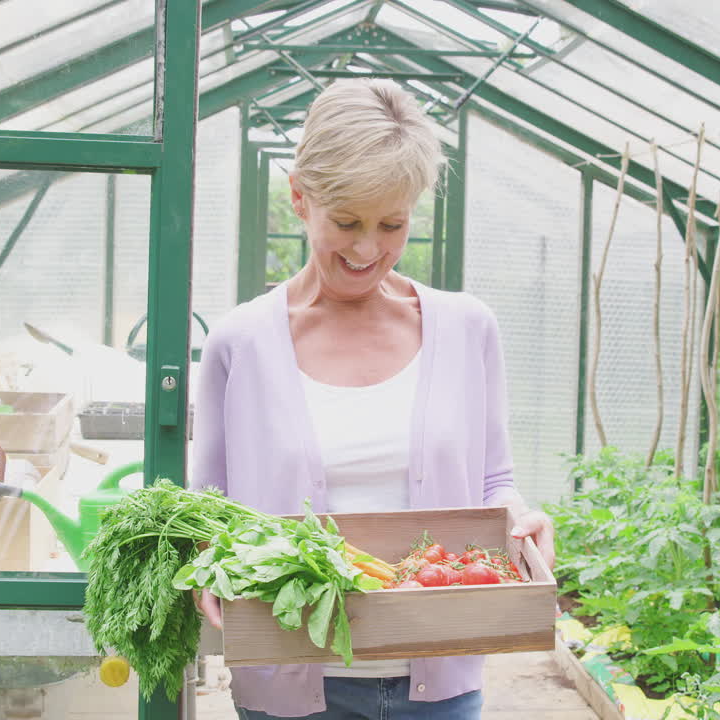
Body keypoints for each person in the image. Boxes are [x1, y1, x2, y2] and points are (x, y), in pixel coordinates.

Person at [191, 78, 556, 720]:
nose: (367, 250)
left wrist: (522, 522)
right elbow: (210, 509)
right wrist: (207, 569)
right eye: (347, 222)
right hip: (288, 685)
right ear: (300, 198)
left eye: (392, 224)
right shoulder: (239, 342)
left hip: (437, 681)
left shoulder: (466, 329)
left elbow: (494, 481)